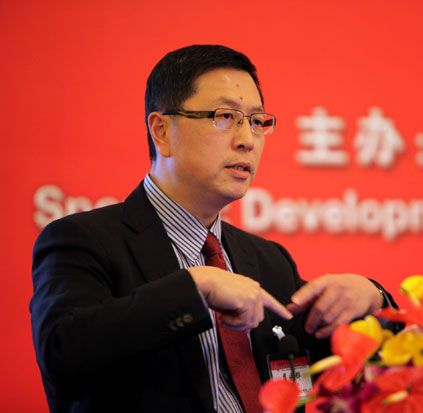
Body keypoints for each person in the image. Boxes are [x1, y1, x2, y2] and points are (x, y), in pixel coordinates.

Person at [30, 44, 398, 413]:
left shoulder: (268, 260)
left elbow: (346, 371)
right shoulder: (83, 241)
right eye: (225, 117)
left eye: (256, 121)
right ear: (161, 131)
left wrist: (373, 299)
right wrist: (195, 288)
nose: (247, 140)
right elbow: (63, 357)